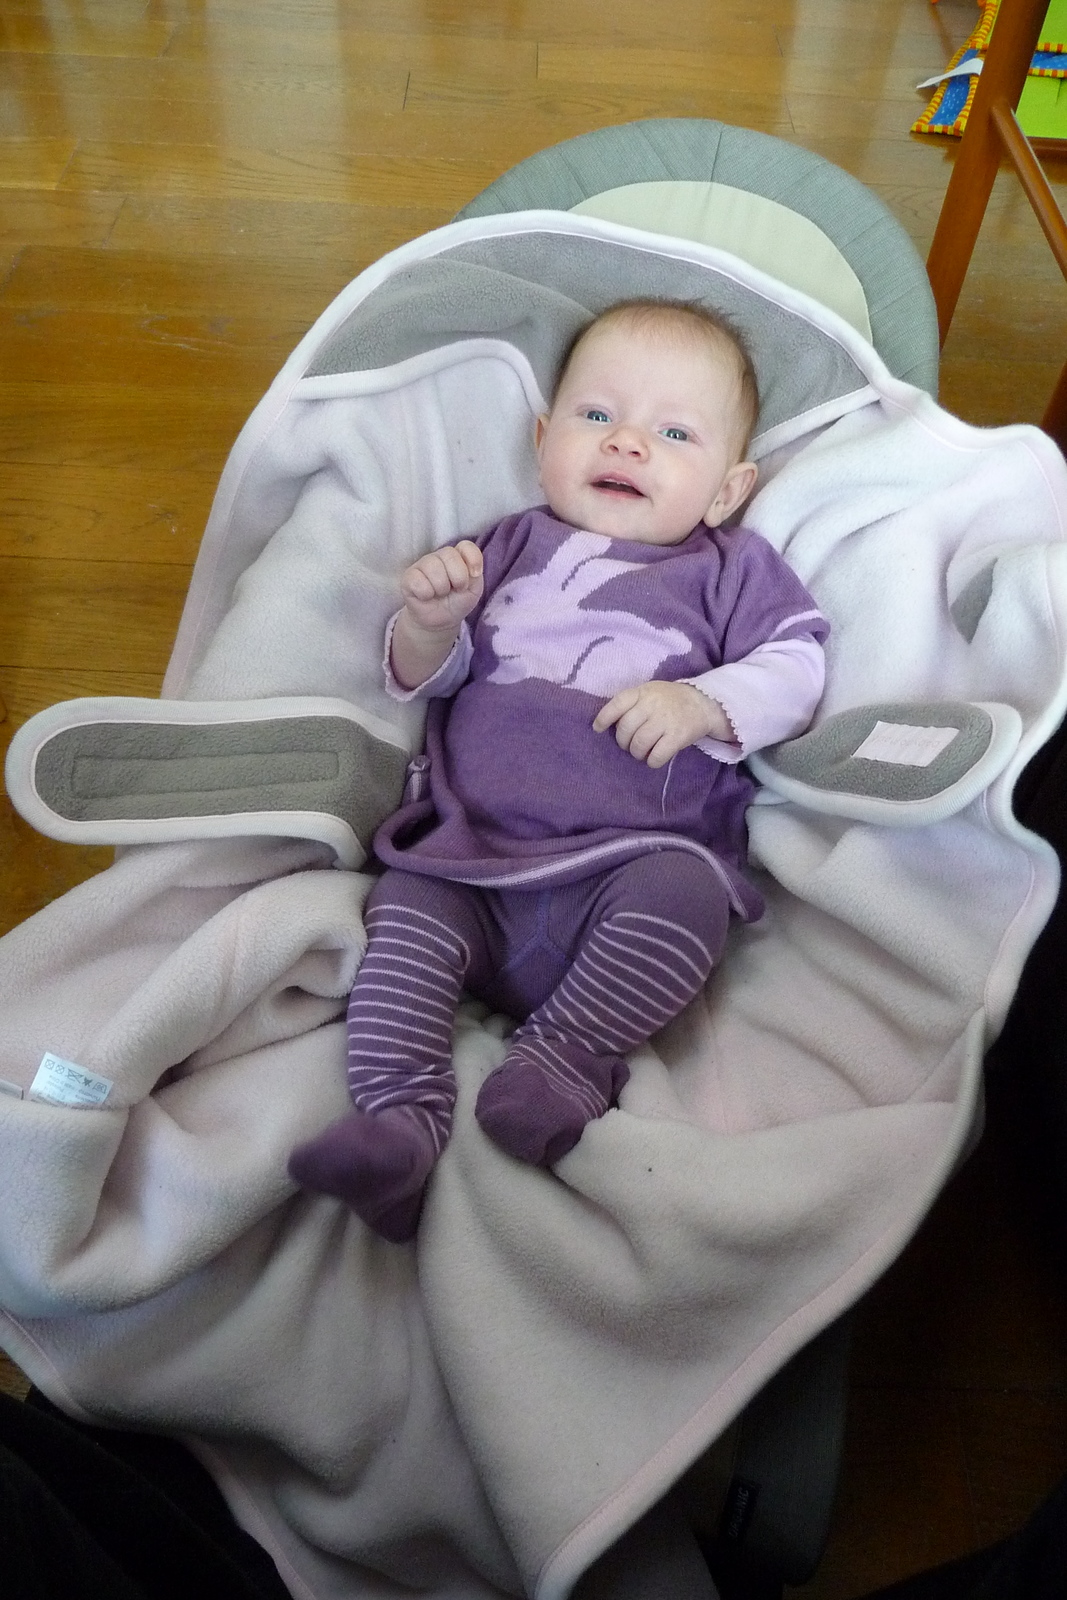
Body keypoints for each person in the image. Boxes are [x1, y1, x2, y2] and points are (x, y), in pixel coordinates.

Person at [289, 298, 829, 1241]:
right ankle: (398, 1122)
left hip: (629, 869)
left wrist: (705, 703)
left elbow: (798, 668)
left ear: (726, 489)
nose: (626, 442)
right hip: (466, 861)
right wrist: (428, 624)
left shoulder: (730, 569)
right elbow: (424, 678)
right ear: (543, 441)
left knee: (688, 898)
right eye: (596, 415)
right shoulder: (506, 545)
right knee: (400, 913)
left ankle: (563, 1061)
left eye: (672, 433)